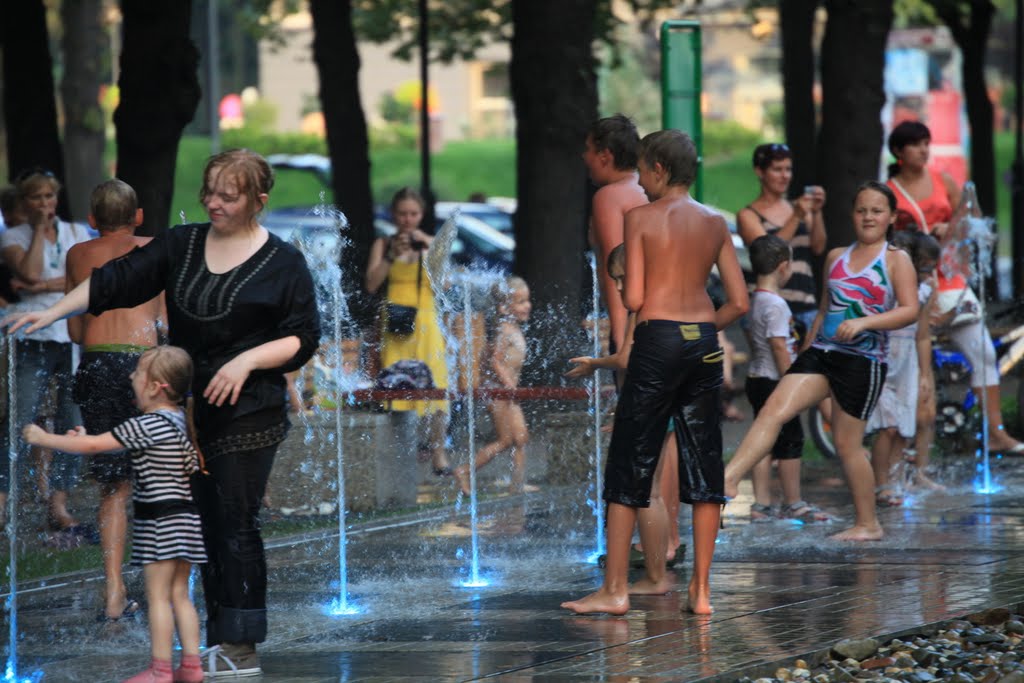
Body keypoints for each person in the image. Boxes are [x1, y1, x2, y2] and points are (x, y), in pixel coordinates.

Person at [5, 149, 321, 677]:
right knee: (198, 524)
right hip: (189, 415)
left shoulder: (283, 262)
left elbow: (303, 336)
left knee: (233, 522)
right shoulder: (182, 244)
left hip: (251, 413)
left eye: (228, 195)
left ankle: (238, 646)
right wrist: (53, 312)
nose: (213, 202)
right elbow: (115, 280)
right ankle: (202, 646)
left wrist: (246, 360)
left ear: (258, 201)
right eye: (210, 191)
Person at [561, 129, 748, 616]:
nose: (639, 181)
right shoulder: (714, 221)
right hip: (703, 343)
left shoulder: (640, 217)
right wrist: (703, 326)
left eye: (643, 170)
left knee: (630, 461)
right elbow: (739, 301)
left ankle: (615, 589)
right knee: (704, 461)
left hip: (658, 340)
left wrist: (630, 293)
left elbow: (637, 299)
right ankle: (701, 592)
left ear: (660, 170)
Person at [724, 181, 920, 542]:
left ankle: (868, 524)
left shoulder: (895, 259)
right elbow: (824, 311)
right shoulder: (836, 257)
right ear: (852, 214)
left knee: (847, 446)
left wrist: (864, 322)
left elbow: (910, 310)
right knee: (774, 408)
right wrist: (807, 351)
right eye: (861, 210)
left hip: (863, 362)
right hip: (823, 353)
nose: (868, 217)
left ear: (891, 217)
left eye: (877, 211)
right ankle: (730, 478)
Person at [23, 346, 207, 683]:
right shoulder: (180, 419)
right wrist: (85, 437)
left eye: (137, 373)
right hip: (187, 520)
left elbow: (96, 447)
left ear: (155, 386)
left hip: (160, 524)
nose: (130, 377)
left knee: (157, 598)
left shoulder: (146, 423)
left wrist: (44, 437)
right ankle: (192, 667)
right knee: (180, 594)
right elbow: (103, 442)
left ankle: (161, 671)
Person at [886, 121, 1024, 454]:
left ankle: (995, 432)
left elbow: (970, 219)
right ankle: (900, 439)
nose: (923, 149)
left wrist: (950, 225)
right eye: (915, 144)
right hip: (910, 282)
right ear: (898, 152)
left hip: (950, 280)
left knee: (984, 354)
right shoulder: (888, 190)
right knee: (907, 361)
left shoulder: (942, 181)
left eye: (926, 143)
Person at [65, 179, 164, 621]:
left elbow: (73, 330)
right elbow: (163, 324)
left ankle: (113, 591)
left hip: (97, 364)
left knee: (113, 486)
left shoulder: (77, 255)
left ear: (91, 222)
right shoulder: (155, 249)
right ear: (138, 216)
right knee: (159, 478)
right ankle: (165, 587)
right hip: (143, 368)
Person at [567, 244, 684, 570]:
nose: (618, 287)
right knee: (655, 493)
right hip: (666, 402)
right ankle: (658, 571)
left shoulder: (640, 310)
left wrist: (593, 363)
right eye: (614, 280)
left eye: (622, 278)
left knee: (642, 492)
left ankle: (655, 574)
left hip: (647, 404)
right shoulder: (671, 305)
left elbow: (625, 359)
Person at [0, 169, 92, 536]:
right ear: (24, 202)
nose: (43, 204)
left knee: (72, 418)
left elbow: (83, 281)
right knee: (20, 418)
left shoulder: (76, 233)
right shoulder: (15, 235)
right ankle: (4, 501)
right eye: (35, 198)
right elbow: (28, 270)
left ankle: (58, 503)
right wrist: (38, 231)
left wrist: (41, 285)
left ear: (57, 199)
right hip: (31, 335)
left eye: (48, 197)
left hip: (70, 335)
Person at [743, 234, 829, 522]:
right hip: (775, 380)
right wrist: (791, 381)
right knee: (791, 439)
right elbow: (779, 346)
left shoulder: (756, 300)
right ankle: (794, 502)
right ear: (783, 267)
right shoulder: (777, 305)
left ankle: (761, 503)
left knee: (763, 441)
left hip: (756, 376)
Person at [365, 187, 451, 476]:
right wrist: (391, 256)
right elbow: (371, 284)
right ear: (393, 214)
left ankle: (439, 454)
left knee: (436, 388)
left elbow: (446, 284)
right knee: (396, 388)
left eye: (413, 214)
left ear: (421, 215)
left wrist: (427, 249)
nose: (407, 219)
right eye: (402, 213)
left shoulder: (431, 243)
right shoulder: (383, 243)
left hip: (426, 321)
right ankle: (401, 460)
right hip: (397, 323)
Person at [453, 276, 535, 496]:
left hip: (508, 393)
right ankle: (464, 470)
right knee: (507, 439)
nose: (527, 306)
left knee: (521, 438)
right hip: (499, 393)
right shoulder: (504, 330)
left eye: (527, 300)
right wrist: (509, 386)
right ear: (504, 307)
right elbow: (495, 361)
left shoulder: (514, 329)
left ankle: (516, 484)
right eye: (520, 302)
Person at [737, 143, 826, 336]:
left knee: (805, 366)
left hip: (805, 304)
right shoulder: (748, 215)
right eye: (777, 169)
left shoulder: (799, 206)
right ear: (760, 171)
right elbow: (768, 252)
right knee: (772, 365)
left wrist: (817, 213)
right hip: (768, 306)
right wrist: (796, 217)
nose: (785, 175)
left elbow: (818, 247)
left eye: (788, 169)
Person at [866, 230, 925, 507]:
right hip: (881, 360)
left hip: (907, 366)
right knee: (886, 427)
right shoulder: (878, 286)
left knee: (902, 428)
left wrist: (925, 375)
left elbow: (923, 336)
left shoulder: (922, 292)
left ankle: (896, 480)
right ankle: (880, 484)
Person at [583, 114, 648, 361]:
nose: (584, 157)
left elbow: (617, 271)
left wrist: (621, 340)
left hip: (635, 325)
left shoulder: (610, 196)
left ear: (605, 155)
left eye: (588, 149)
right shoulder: (646, 190)